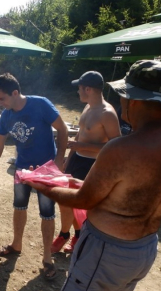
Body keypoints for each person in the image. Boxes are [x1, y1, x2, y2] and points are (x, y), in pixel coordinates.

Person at [23, 60, 161, 291]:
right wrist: (74, 181)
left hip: (106, 249)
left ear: (136, 101)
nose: (122, 101)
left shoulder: (124, 148)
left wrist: (42, 185)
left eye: (125, 96)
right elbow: (127, 191)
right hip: (143, 248)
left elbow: (84, 201)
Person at [0, 73, 68, 280]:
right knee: (19, 207)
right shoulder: (7, 116)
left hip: (46, 171)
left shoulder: (40, 105)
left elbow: (63, 130)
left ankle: (47, 258)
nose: (0, 103)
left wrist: (59, 160)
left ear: (15, 93)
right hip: (22, 169)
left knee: (47, 213)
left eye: (2, 99)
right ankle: (16, 244)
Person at [52, 71, 121, 254]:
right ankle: (74, 234)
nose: (78, 92)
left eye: (80, 88)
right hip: (76, 160)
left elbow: (116, 147)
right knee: (65, 200)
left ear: (88, 89)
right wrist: (70, 157)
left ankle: (67, 235)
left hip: (91, 165)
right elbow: (81, 135)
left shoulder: (107, 113)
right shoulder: (88, 107)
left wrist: (82, 145)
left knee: (76, 203)